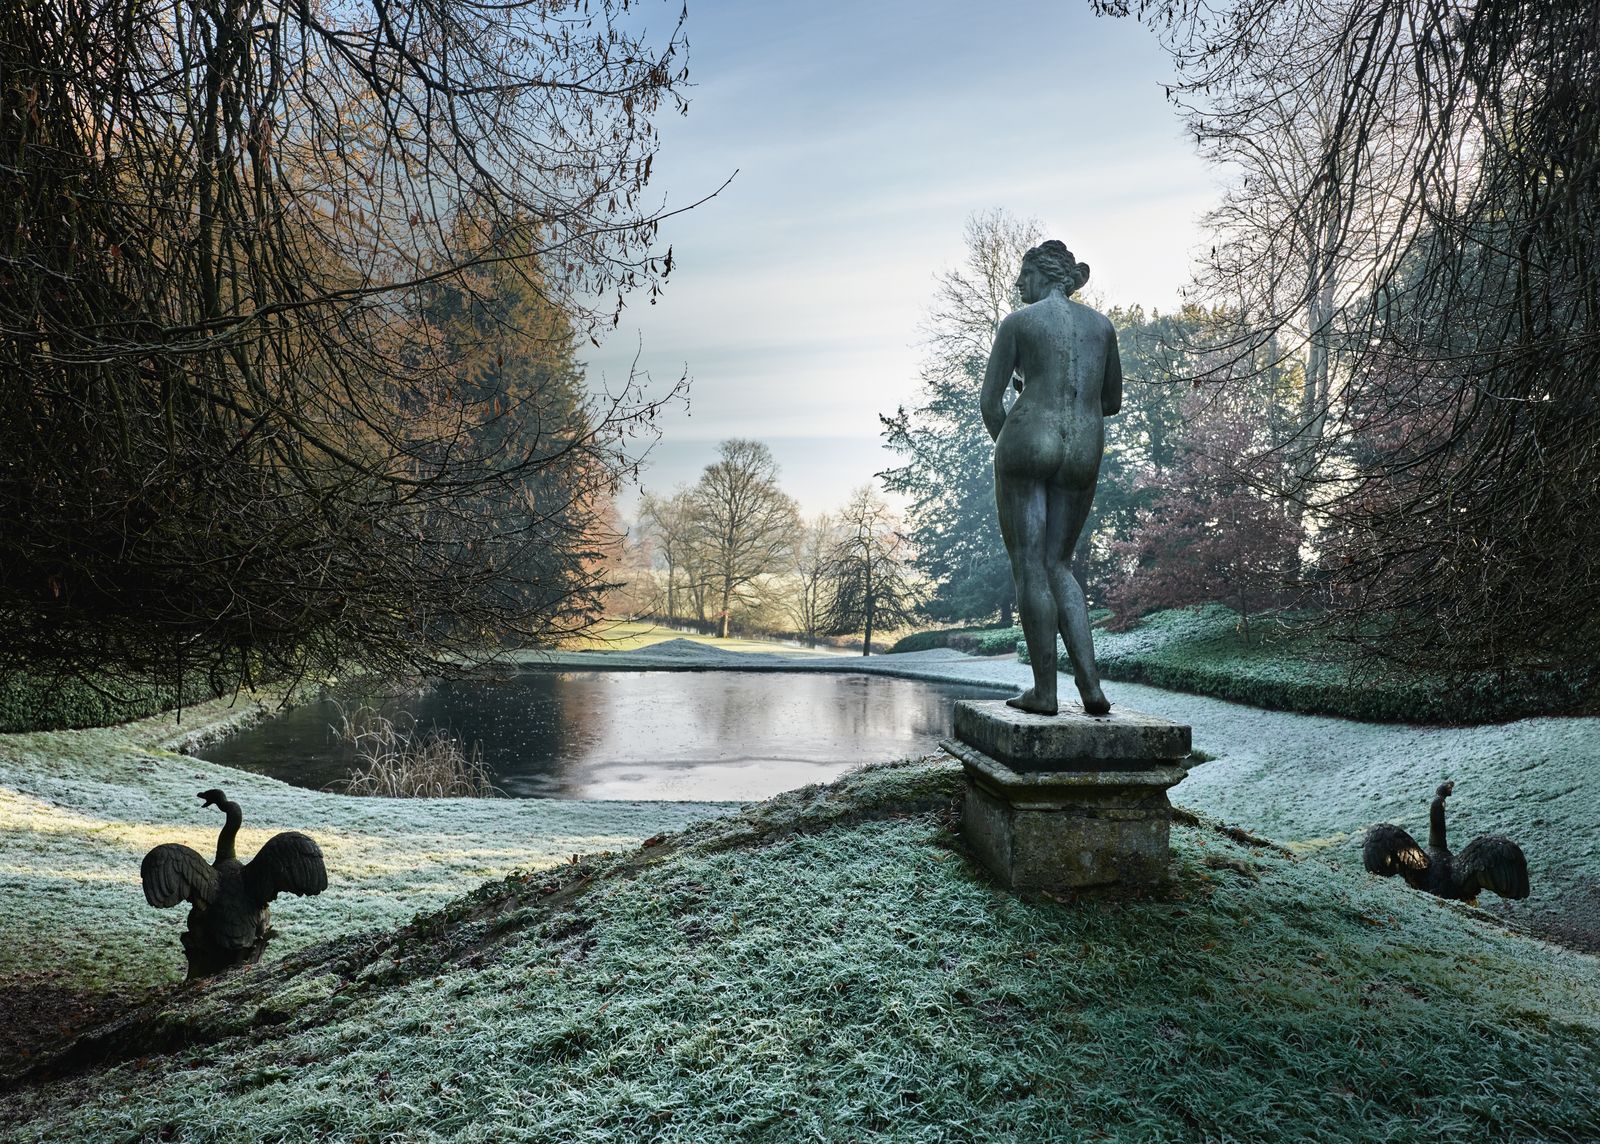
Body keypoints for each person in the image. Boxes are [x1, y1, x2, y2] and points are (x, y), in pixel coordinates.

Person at [981, 240, 1121, 716]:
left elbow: (989, 401)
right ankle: (1092, 690)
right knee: (1059, 565)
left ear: (1045, 275)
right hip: (1083, 446)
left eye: (1024, 274)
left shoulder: (1018, 323)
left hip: (1027, 438)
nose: (1019, 283)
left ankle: (1044, 692)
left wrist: (1011, 448)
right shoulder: (1102, 326)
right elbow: (1111, 401)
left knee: (1029, 566)